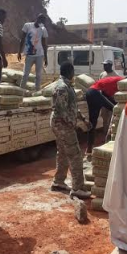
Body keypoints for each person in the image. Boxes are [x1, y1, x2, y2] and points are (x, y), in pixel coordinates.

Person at [50, 61, 91, 200]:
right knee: (75, 155)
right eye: (73, 71)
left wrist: (83, 119)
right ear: (69, 72)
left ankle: (58, 182)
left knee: (62, 152)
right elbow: (60, 110)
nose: (74, 74)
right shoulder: (62, 87)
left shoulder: (67, 86)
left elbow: (72, 107)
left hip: (62, 125)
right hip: (63, 126)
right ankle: (78, 188)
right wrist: (71, 124)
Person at [85, 74, 124, 154]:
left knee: (92, 123)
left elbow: (107, 95)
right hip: (96, 92)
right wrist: (117, 107)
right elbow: (106, 95)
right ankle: (111, 139)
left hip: (90, 92)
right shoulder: (122, 83)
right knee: (117, 110)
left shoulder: (118, 80)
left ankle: (89, 149)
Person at [18, 14, 48, 91]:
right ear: (37, 19)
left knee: (38, 76)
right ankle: (21, 92)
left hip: (39, 55)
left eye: (43, 21)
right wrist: (19, 52)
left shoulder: (43, 29)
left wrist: (46, 57)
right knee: (25, 75)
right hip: (29, 55)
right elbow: (22, 39)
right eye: (40, 20)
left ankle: (37, 92)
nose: (41, 22)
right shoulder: (27, 26)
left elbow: (44, 44)